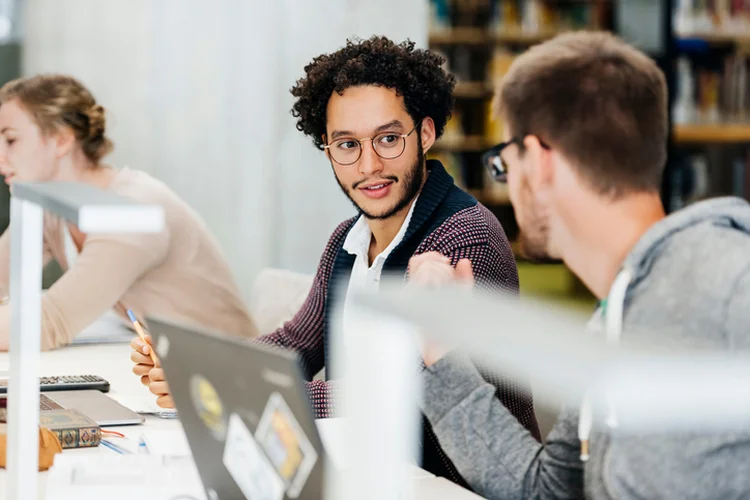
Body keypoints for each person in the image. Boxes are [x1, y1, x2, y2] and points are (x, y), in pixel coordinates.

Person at [131, 36, 540, 486]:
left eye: (388, 139)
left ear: (425, 134)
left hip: (455, 487)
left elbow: (403, 398)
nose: (368, 165)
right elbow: (296, 344)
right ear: (326, 146)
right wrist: (199, 369)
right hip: (367, 473)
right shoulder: (348, 239)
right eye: (347, 145)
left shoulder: (463, 239)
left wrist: (234, 389)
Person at [410, 31, 750, 499]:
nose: (508, 186)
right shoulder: (614, 316)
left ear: (539, 163)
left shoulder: (725, 279)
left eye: (504, 165)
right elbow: (546, 489)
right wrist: (443, 352)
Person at [0, 74, 258, 357]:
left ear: (61, 141)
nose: (1, 155)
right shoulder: (52, 204)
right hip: (156, 359)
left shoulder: (132, 210)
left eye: (11, 140)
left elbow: (49, 324)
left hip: (220, 372)